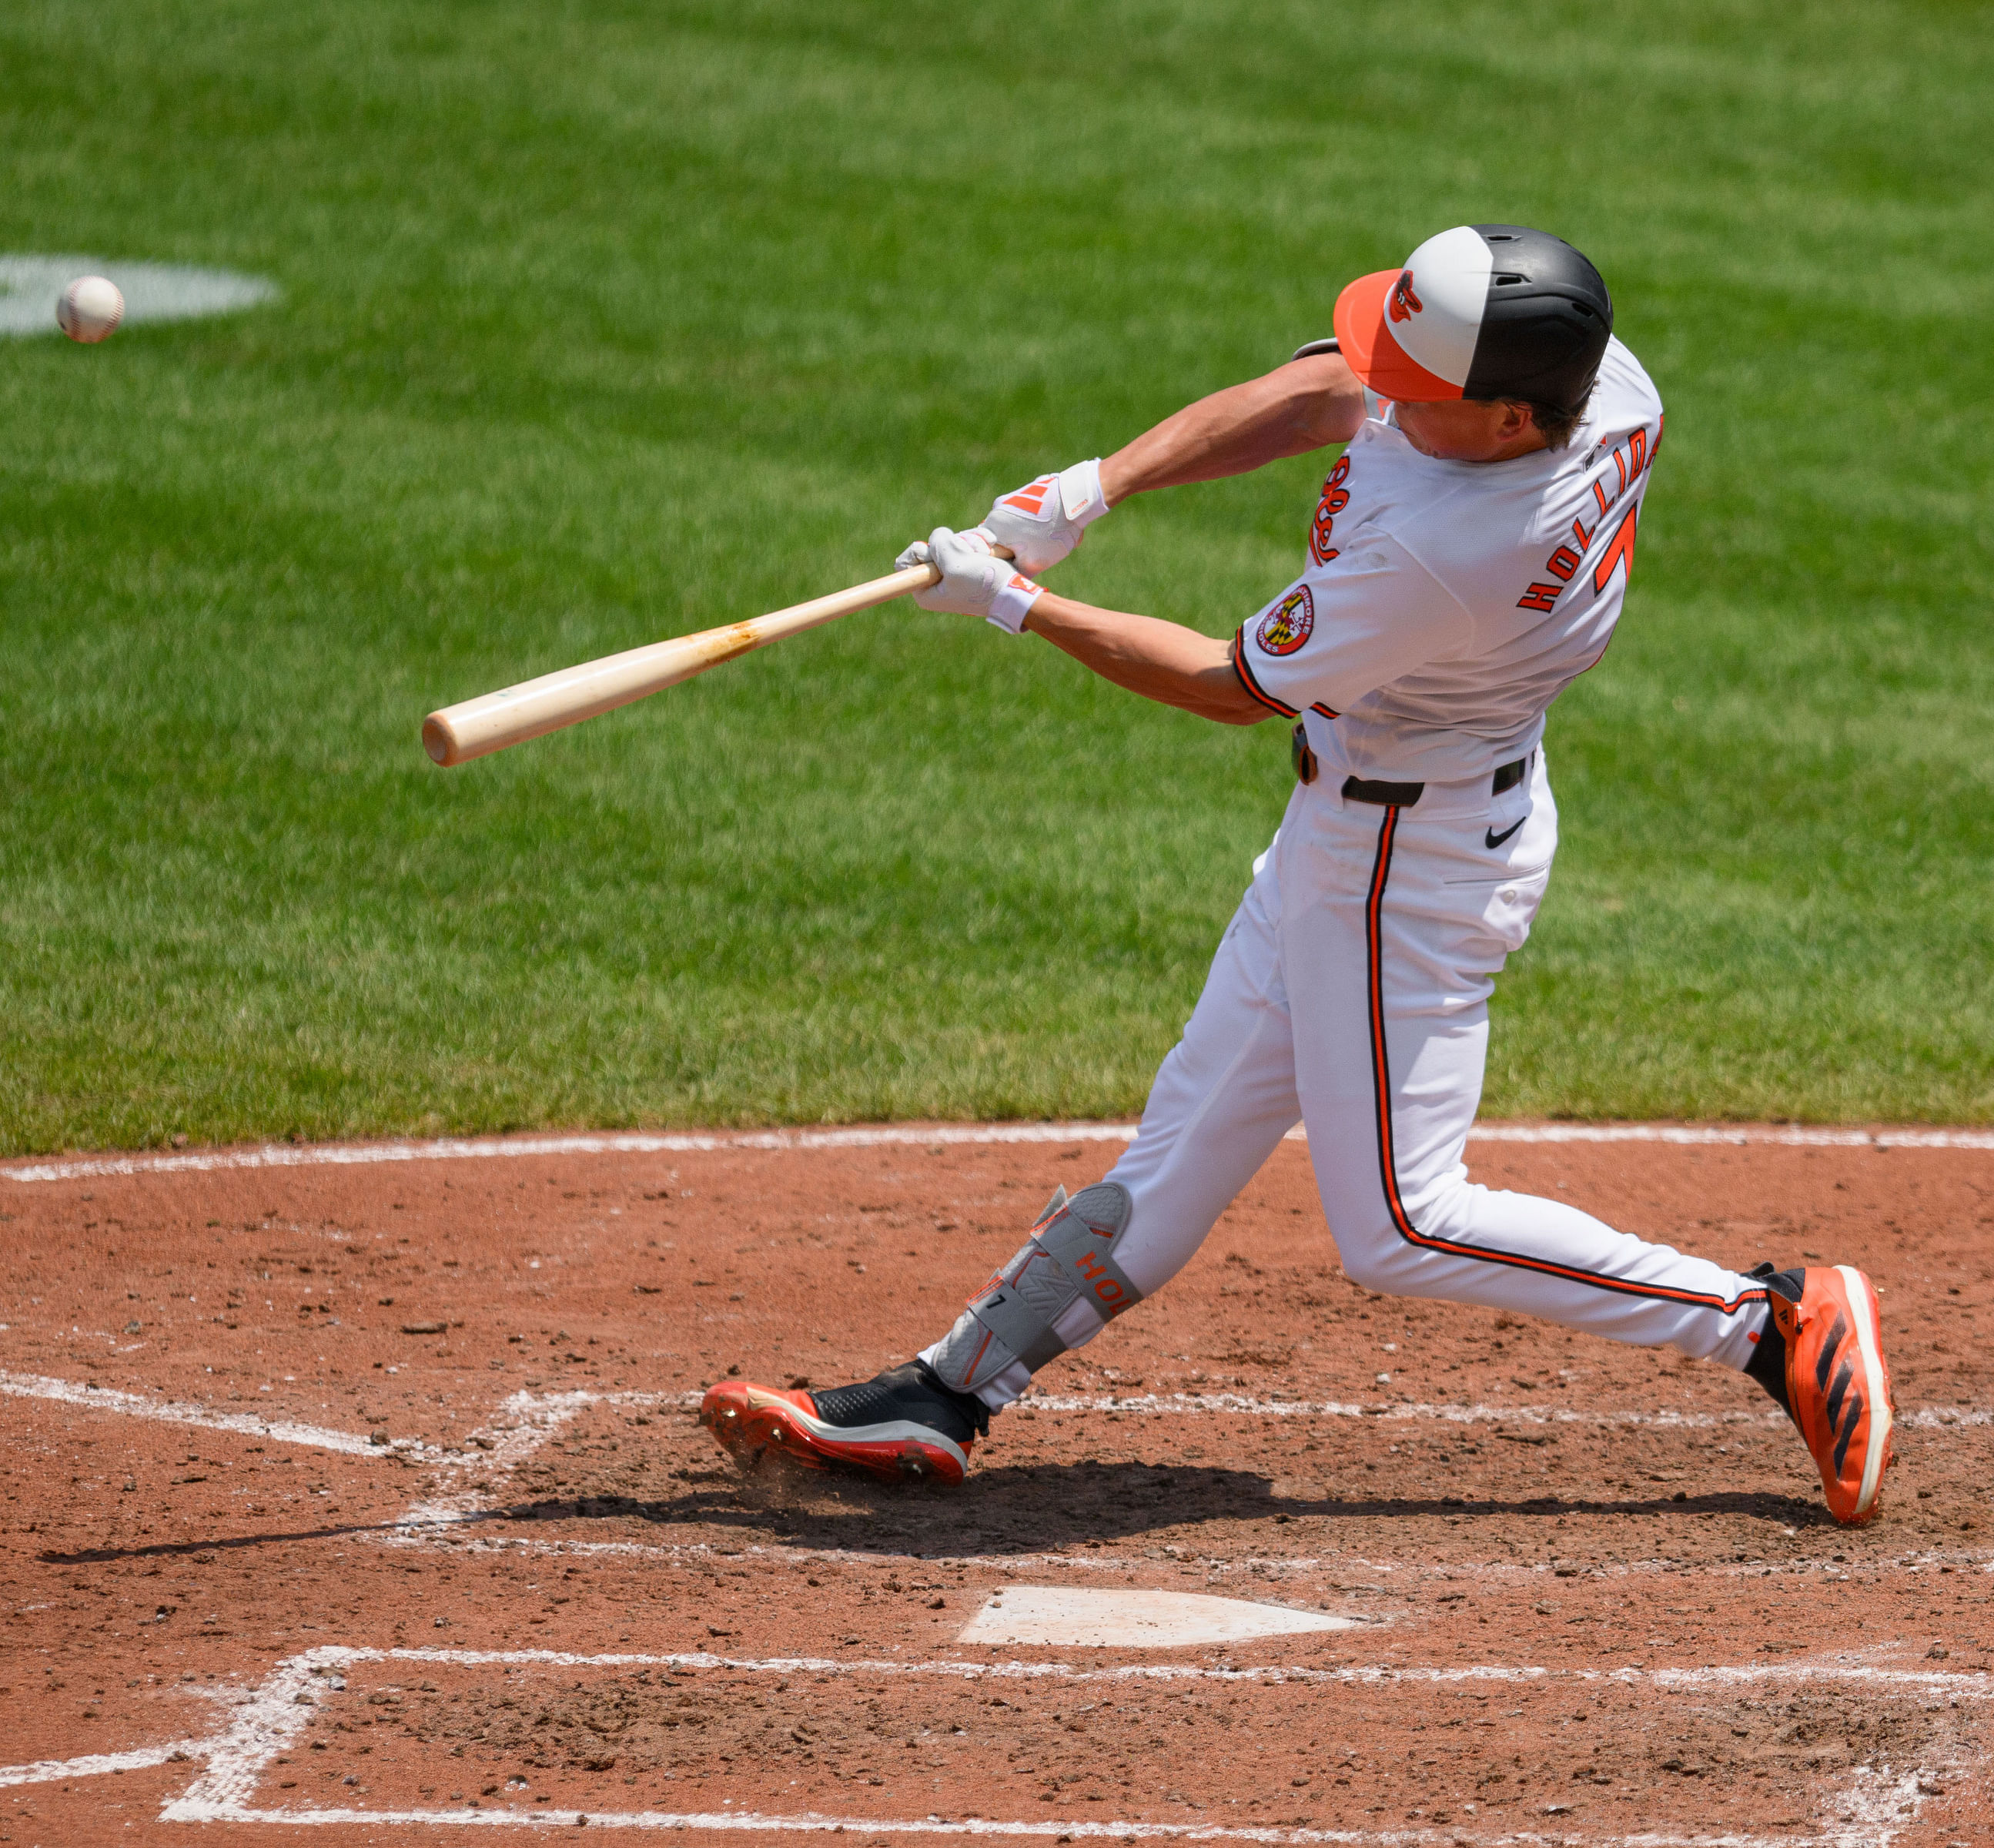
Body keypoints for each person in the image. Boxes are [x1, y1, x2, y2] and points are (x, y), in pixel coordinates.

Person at [700, 225, 1896, 1526]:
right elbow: (1331, 382)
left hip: (1405, 867)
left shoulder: (1452, 554)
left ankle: (1769, 1326)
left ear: (1504, 421)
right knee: (1181, 1148)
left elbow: (1226, 685)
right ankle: (949, 1393)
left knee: (1403, 1222)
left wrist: (1012, 605)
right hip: (1371, 827)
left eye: (1424, 395)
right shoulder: (1596, 379)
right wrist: (1091, 489)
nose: (1386, 395)